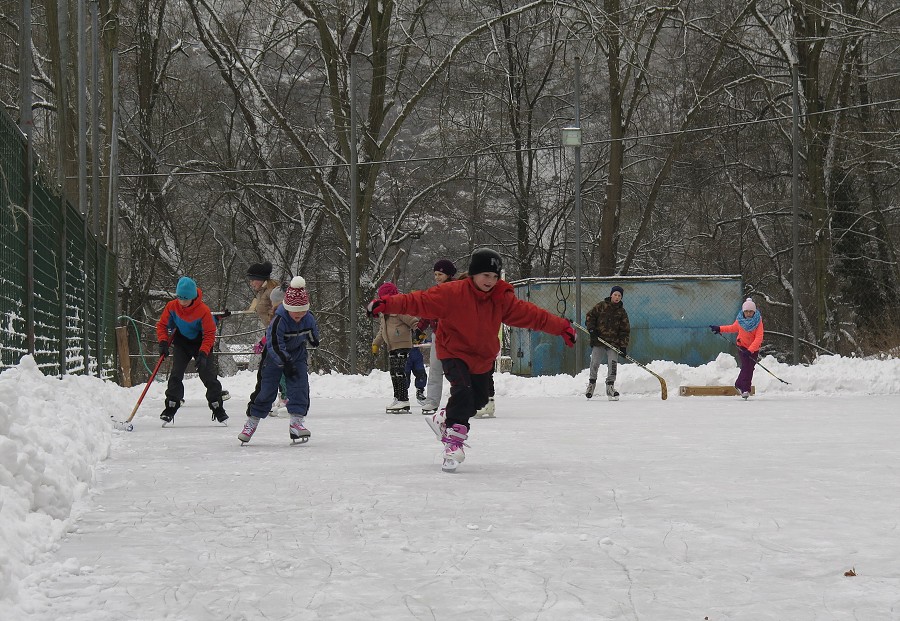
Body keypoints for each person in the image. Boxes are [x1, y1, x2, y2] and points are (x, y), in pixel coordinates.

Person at [367, 248, 576, 472]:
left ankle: (444, 418)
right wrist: (387, 304)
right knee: (463, 391)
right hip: (453, 351)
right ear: (474, 273)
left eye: (495, 277)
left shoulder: (501, 299)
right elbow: (418, 301)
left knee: (478, 401)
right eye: (486, 275)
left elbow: (532, 315)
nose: (490, 281)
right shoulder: (452, 293)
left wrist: (561, 327)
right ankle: (453, 442)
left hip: (482, 357)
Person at [240, 276, 320, 444]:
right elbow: (274, 344)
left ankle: (296, 424)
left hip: (297, 355)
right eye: (295, 311)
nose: (299, 314)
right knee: (266, 390)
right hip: (273, 357)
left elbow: (313, 335)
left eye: (302, 310)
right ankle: (251, 423)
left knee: (300, 387)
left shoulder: (308, 318)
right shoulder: (279, 320)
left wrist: (314, 340)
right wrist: (286, 361)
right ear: (287, 307)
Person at [156, 276, 228, 425]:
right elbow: (162, 325)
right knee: (176, 373)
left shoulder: (203, 310)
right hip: (182, 343)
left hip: (201, 343)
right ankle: (171, 406)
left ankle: (217, 406)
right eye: (180, 298)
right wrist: (163, 341)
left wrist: (203, 353)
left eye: (185, 299)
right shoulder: (172, 306)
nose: (182, 302)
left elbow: (209, 334)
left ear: (193, 297)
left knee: (207, 374)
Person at [371, 282, 420, 413]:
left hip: (403, 344)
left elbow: (412, 320)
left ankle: (404, 399)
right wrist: (376, 343)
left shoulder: (399, 309)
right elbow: (382, 331)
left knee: (399, 371)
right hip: (391, 346)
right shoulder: (383, 312)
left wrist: (418, 330)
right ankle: (398, 398)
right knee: (393, 372)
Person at [416, 259, 457, 414]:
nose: (437, 277)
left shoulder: (457, 290)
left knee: (456, 370)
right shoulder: (434, 292)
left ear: (448, 274)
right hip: (437, 335)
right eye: (435, 274)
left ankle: (462, 400)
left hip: (454, 336)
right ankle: (432, 401)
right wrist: (419, 329)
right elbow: (428, 312)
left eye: (440, 274)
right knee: (435, 368)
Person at [710, 297, 764, 399]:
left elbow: (759, 338)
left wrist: (750, 350)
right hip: (742, 346)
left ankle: (739, 384)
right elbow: (732, 328)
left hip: (753, 349)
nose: (748, 313)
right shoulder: (740, 320)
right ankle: (745, 389)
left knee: (750, 368)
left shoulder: (758, 322)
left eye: (751, 311)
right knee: (746, 367)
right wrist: (720, 328)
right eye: (746, 311)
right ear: (743, 311)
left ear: (754, 312)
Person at [584, 285, 631, 401]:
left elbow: (625, 330)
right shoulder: (601, 306)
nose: (617, 297)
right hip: (599, 340)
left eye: (619, 296)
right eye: (615, 294)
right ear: (611, 295)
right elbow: (590, 316)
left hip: (613, 343)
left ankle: (610, 387)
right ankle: (591, 385)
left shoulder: (622, 312)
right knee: (594, 362)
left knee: (613, 364)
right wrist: (592, 329)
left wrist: (623, 346)